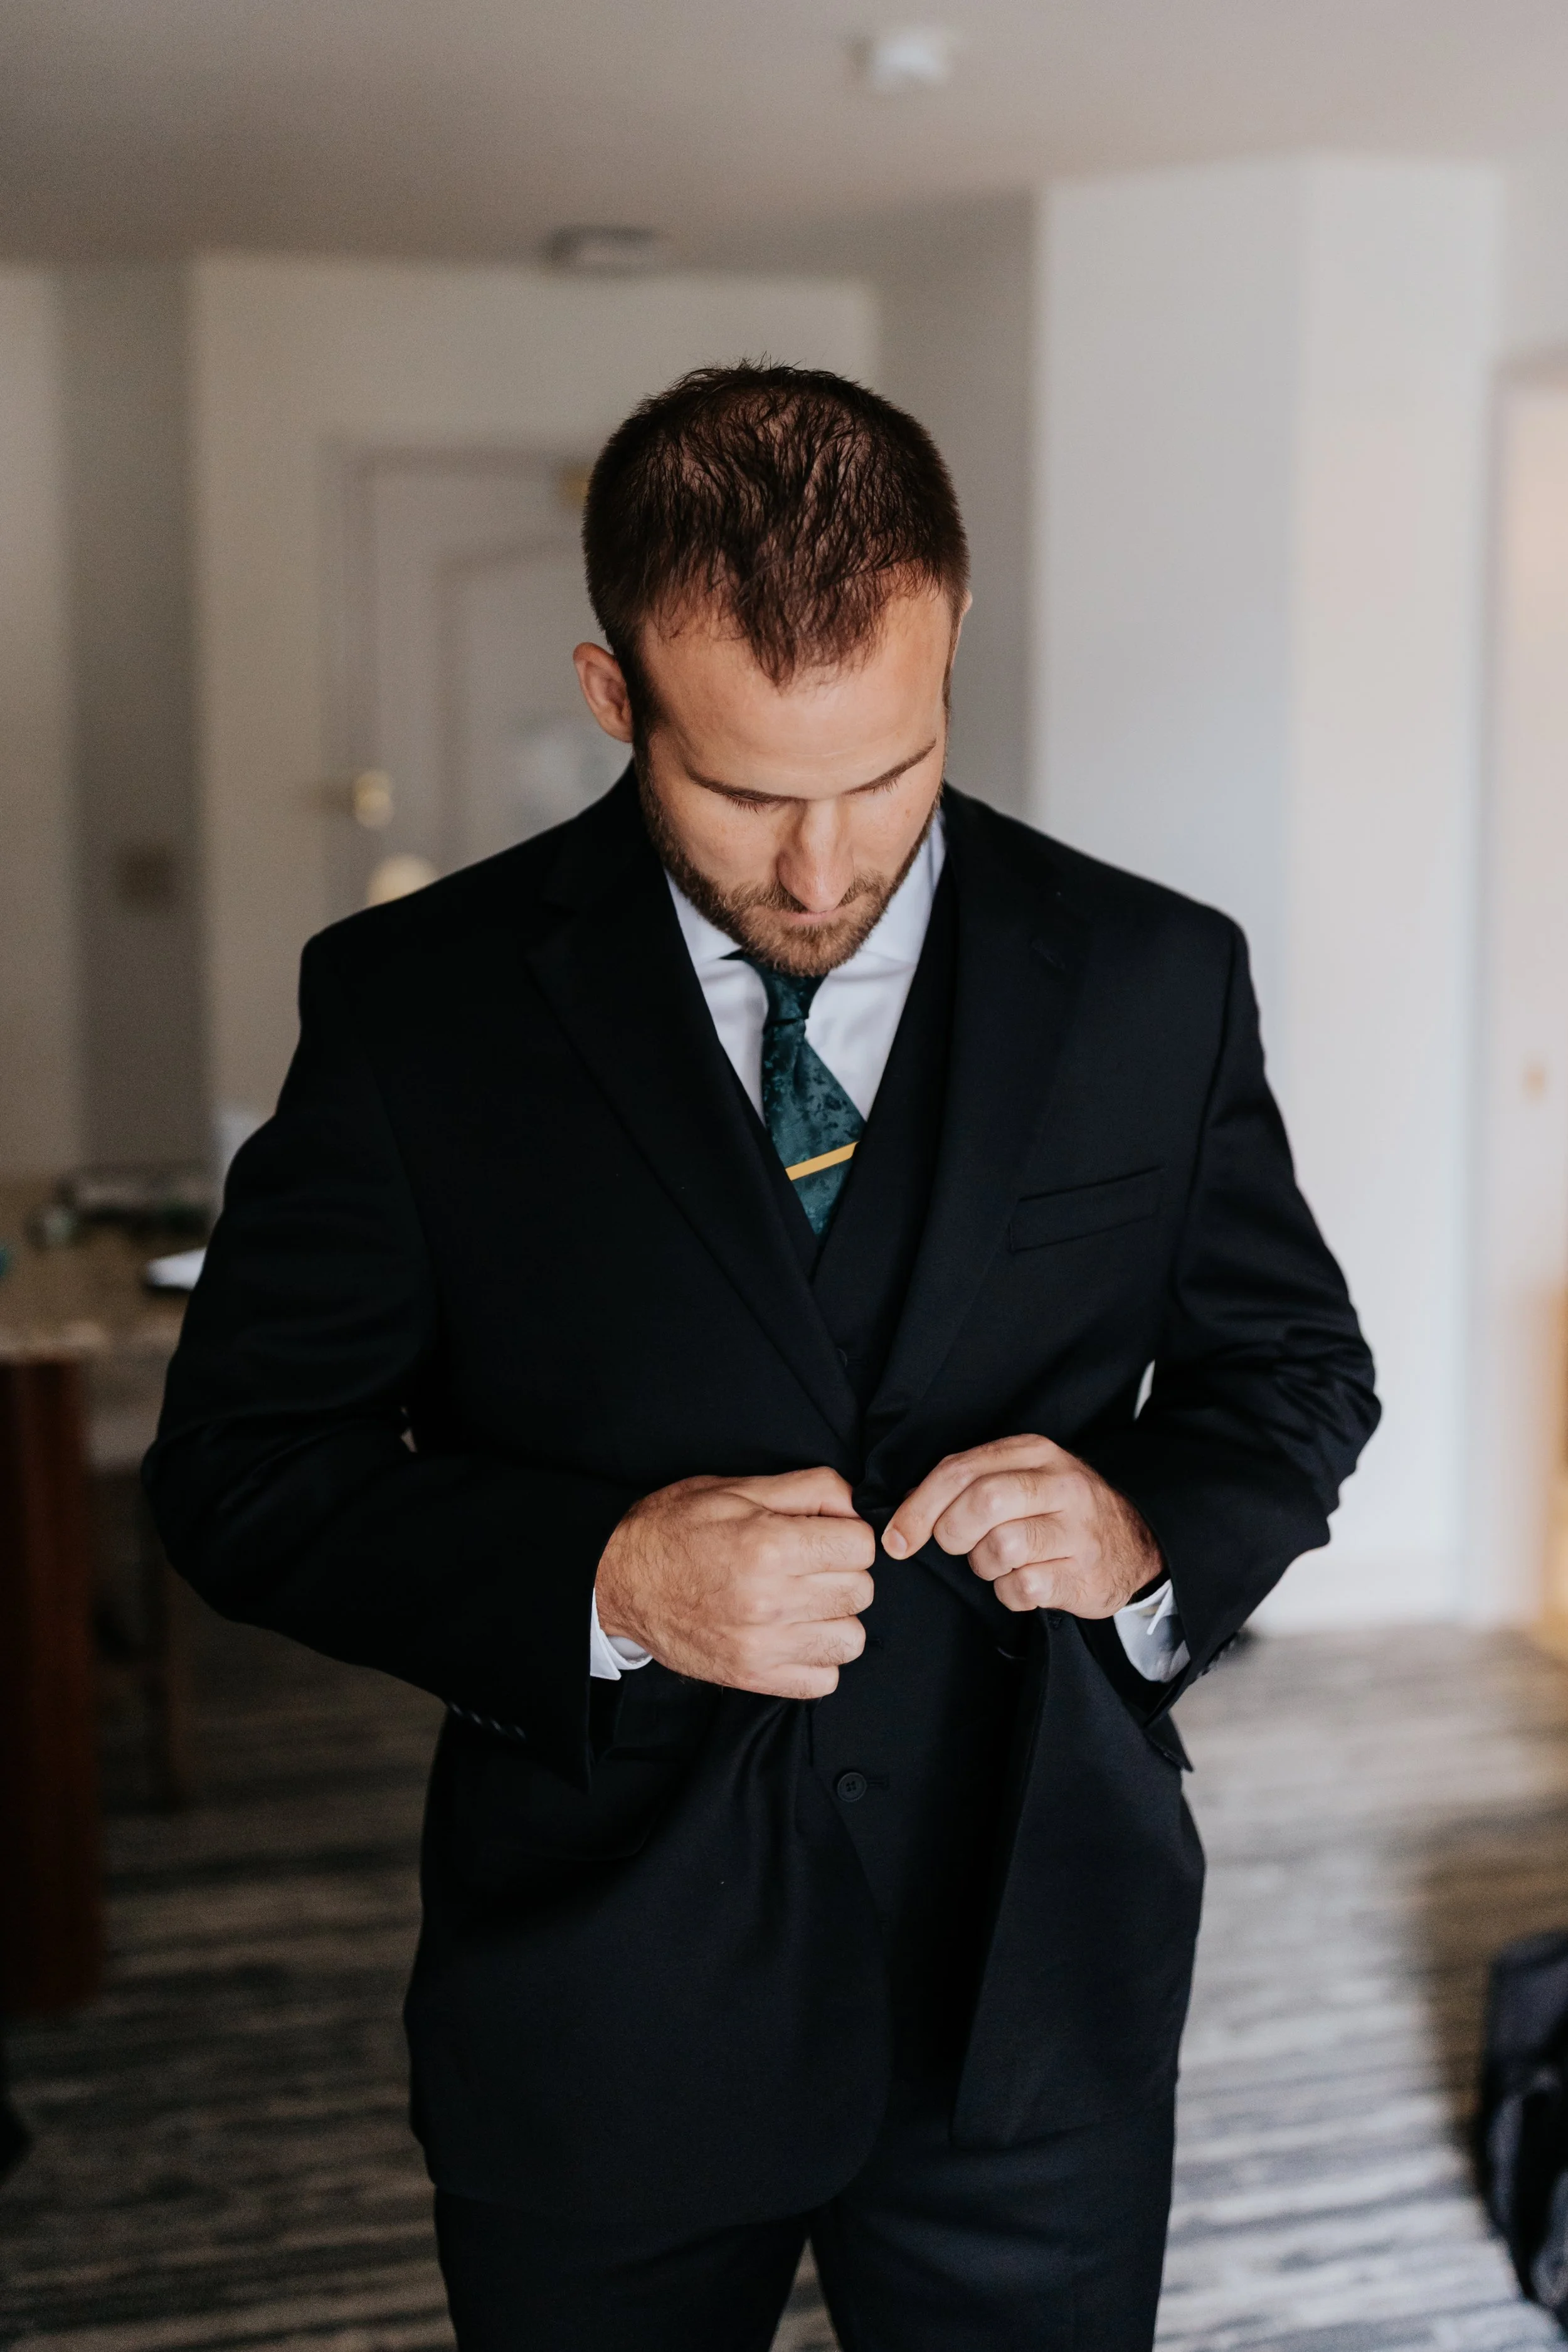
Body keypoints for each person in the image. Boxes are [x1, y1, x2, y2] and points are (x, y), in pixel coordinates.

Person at [145, 364, 1378, 2351]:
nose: (820, 870)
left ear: (952, 642)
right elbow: (239, 1465)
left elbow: (1296, 1372)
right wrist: (603, 1576)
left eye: (880, 775)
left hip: (1028, 1980)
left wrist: (1145, 1529)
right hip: (602, 1992)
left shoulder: (1155, 976)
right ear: (613, 687)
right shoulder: (413, 1010)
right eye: (742, 791)